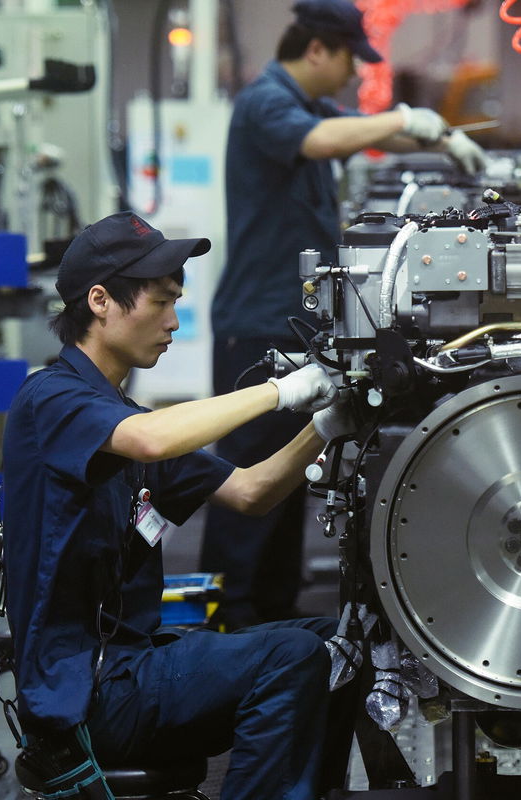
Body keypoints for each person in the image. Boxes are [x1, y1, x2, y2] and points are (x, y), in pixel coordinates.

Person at [1, 212, 358, 800]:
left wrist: (326, 422)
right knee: (290, 656)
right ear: (100, 301)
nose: (173, 321)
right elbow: (152, 441)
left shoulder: (127, 419)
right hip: (87, 692)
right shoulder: (53, 400)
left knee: (334, 642)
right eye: (161, 303)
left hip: (135, 663)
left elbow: (251, 491)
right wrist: (278, 392)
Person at [202, 0, 488, 631]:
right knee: (248, 471)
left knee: (284, 474)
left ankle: (271, 611)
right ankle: (223, 613)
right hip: (257, 319)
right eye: (351, 61)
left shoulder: (303, 101)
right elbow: (324, 140)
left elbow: (365, 129)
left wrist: (436, 133)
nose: (355, 76)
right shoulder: (267, 102)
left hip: (287, 317)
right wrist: (406, 114)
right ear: (317, 50)